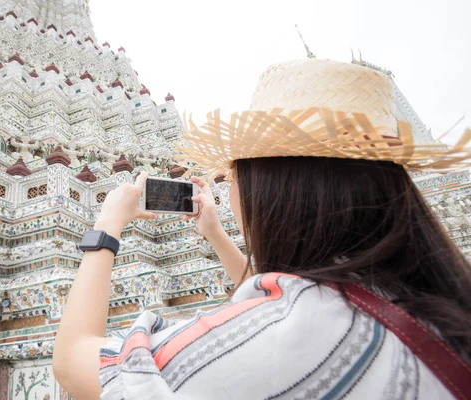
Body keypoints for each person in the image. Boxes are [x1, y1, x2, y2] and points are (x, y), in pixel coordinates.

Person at [53, 59, 471, 399]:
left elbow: (75, 364)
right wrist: (215, 233)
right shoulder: (419, 294)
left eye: (232, 177)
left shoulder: (284, 339)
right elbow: (282, 295)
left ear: (269, 189)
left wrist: (108, 224)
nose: (227, 188)